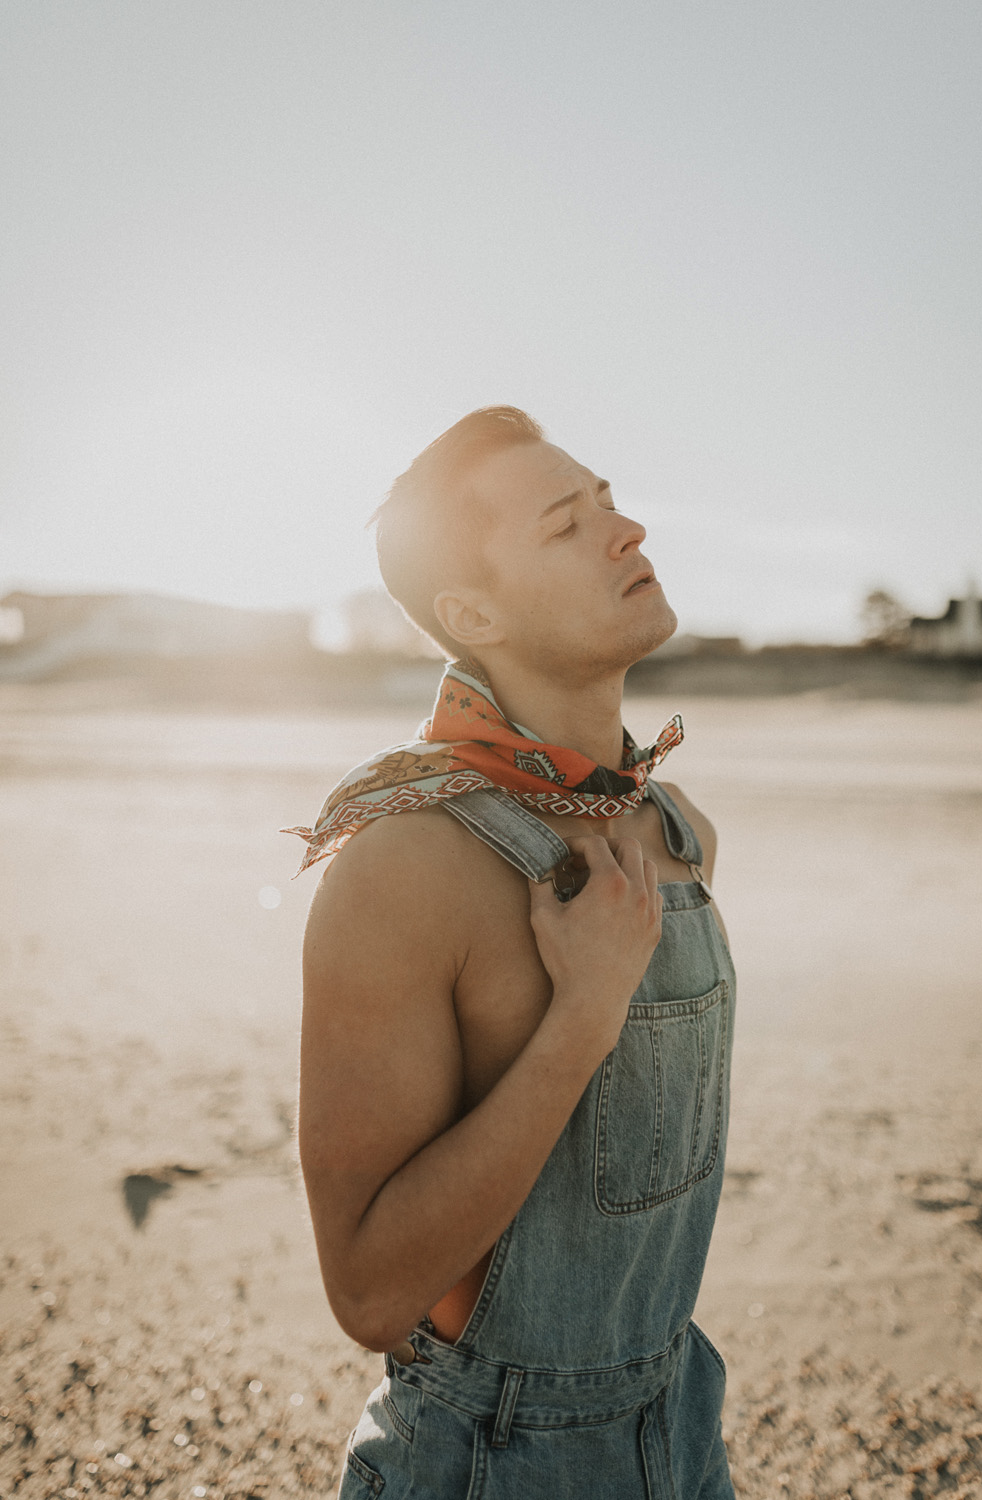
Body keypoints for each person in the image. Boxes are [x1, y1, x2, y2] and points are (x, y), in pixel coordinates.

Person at [290, 407, 736, 1498]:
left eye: (607, 500)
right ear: (470, 611)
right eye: (563, 525)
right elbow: (368, 1295)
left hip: (680, 1427)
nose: (624, 531)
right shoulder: (404, 869)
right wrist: (579, 1020)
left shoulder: (674, 831)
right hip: (485, 1463)